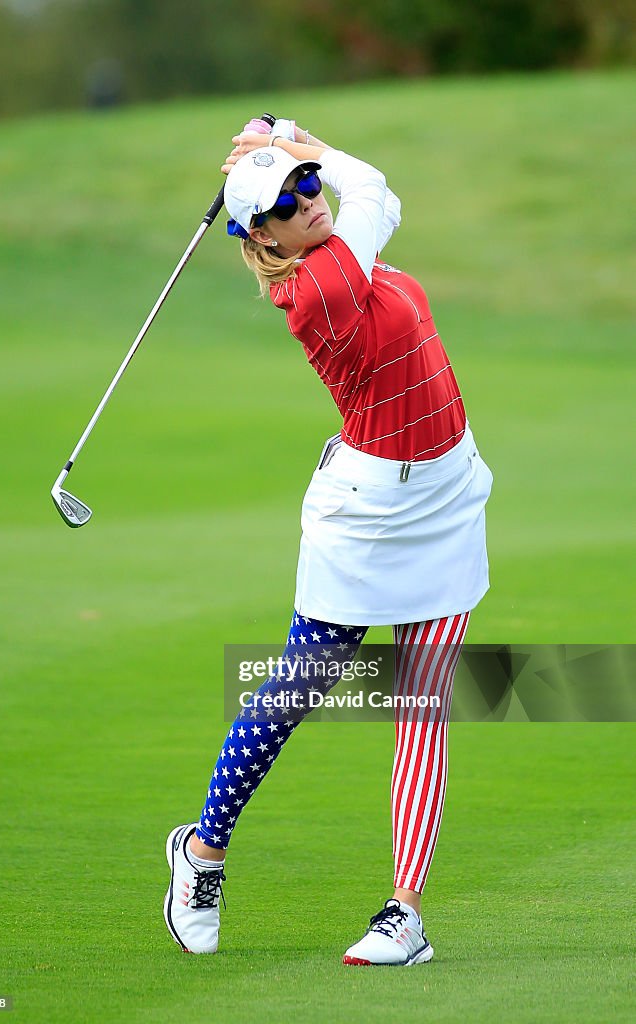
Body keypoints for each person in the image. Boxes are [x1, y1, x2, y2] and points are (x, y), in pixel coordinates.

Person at [163, 116, 493, 966]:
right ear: (259, 234)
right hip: (367, 518)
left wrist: (292, 146)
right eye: (286, 198)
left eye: (308, 187)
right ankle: (202, 853)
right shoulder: (320, 291)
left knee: (424, 708)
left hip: (448, 497)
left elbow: (367, 202)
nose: (309, 199)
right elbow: (377, 190)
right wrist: (307, 144)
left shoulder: (344, 257)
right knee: (295, 691)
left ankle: (404, 913)